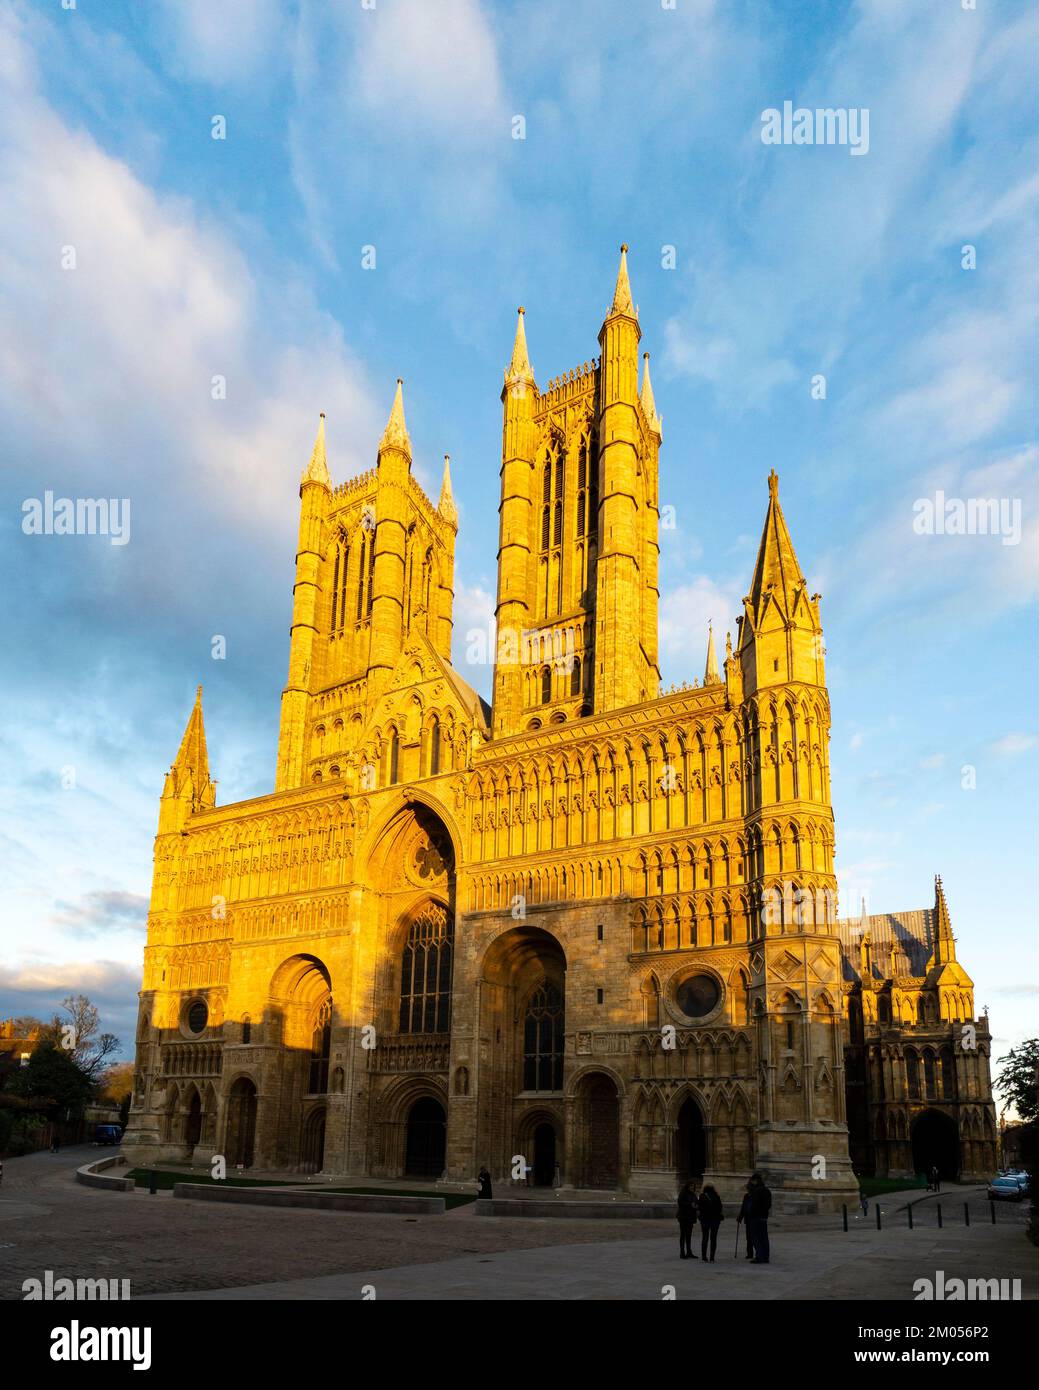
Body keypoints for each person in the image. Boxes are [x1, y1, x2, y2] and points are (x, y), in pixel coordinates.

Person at [746, 1171, 772, 1264]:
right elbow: (769, 1205)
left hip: (755, 1217)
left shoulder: (756, 1191)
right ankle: (766, 1256)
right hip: (764, 1217)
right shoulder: (767, 1190)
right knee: (764, 1237)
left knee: (756, 1237)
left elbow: (754, 1205)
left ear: (755, 1181)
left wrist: (751, 1213)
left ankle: (759, 1257)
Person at [698, 1183, 724, 1262]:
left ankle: (704, 1257)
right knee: (713, 1238)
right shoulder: (716, 1196)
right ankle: (712, 1257)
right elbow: (720, 1207)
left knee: (705, 1237)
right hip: (715, 1219)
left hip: (705, 1219)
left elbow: (699, 1207)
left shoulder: (702, 1196)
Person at [677, 1179, 699, 1259]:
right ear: (688, 1186)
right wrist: (690, 1204)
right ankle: (682, 1253)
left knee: (689, 1235)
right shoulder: (683, 1193)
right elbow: (680, 1202)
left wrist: (696, 1206)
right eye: (691, 1186)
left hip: (690, 1217)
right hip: (683, 1217)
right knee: (683, 1235)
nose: (692, 1187)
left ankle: (689, 1252)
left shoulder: (693, 1194)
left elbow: (697, 1202)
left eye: (693, 1186)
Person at [737, 1183, 754, 1259]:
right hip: (748, 1219)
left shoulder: (755, 1196)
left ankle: (757, 1252)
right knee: (749, 1237)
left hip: (754, 1218)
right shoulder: (746, 1196)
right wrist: (740, 1217)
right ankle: (750, 1253)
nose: (748, 1189)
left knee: (754, 1237)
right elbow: (744, 1207)